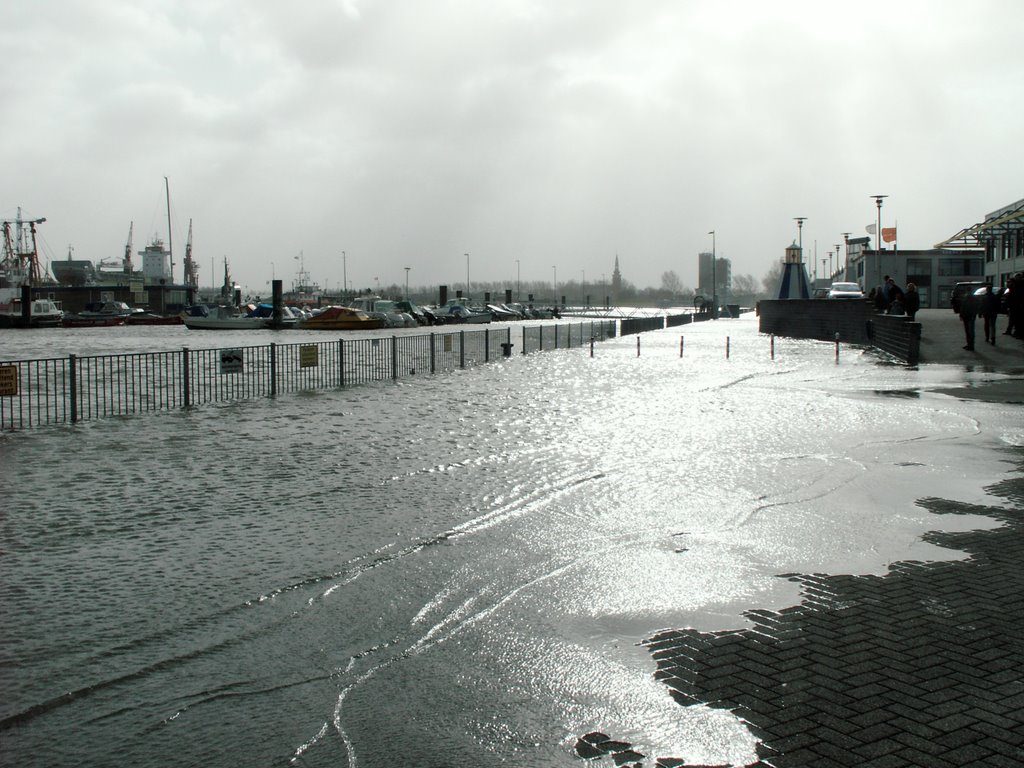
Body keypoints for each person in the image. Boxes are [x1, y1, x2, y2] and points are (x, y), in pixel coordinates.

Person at [959, 285, 979, 351]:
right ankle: (970, 344)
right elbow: (975, 307)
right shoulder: (973, 298)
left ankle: (970, 345)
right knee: (970, 331)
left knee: (969, 331)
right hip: (969, 316)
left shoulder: (965, 297)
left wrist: (961, 315)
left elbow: (962, 307)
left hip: (967, 316)